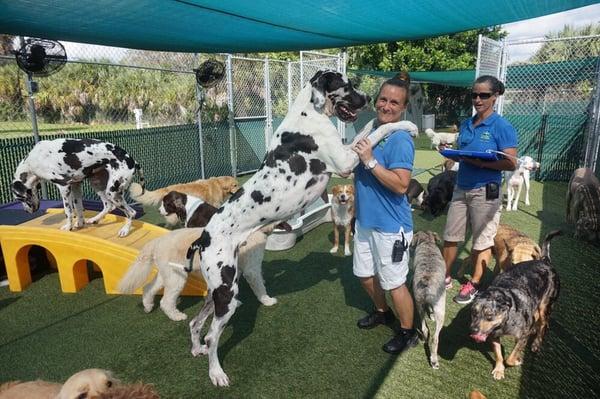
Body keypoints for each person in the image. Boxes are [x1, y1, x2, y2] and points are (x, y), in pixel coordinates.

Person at [352, 72, 418, 355]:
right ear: (376, 101)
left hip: (392, 227)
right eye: (383, 99)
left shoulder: (401, 139)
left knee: (394, 283)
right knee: (364, 275)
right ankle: (382, 312)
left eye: (394, 102)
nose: (387, 106)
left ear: (402, 108)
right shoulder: (367, 133)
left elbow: (402, 185)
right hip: (366, 223)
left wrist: (369, 161)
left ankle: (407, 331)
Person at [441, 75, 518, 304]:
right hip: (461, 187)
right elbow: (461, 152)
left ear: (495, 97)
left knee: (481, 240)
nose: (477, 99)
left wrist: (482, 163)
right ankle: (444, 276)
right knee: (450, 236)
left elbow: (511, 163)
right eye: (474, 94)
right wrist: (448, 151)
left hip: (486, 189)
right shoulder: (466, 124)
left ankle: (473, 284)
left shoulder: (502, 126)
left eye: (483, 95)